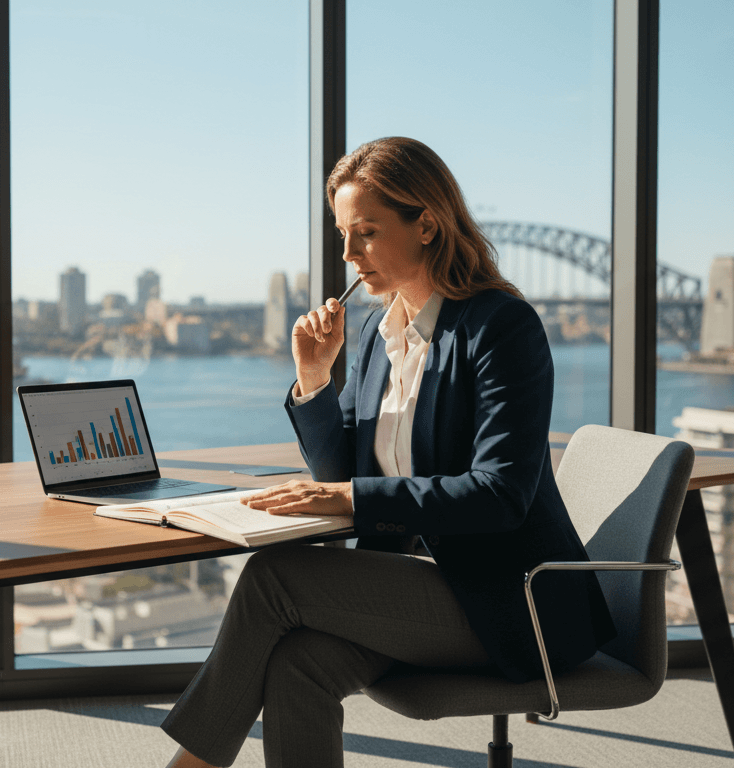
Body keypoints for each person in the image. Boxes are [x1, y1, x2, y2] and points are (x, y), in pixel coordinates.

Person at [158, 137, 616, 768]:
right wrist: (316, 380)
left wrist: (349, 497)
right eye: (344, 234)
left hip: (512, 601)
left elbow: (501, 493)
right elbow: (343, 473)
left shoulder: (500, 328)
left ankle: (192, 766)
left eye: (367, 232)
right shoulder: (375, 331)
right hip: (423, 586)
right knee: (298, 665)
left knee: (273, 577)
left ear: (426, 223)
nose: (348, 255)